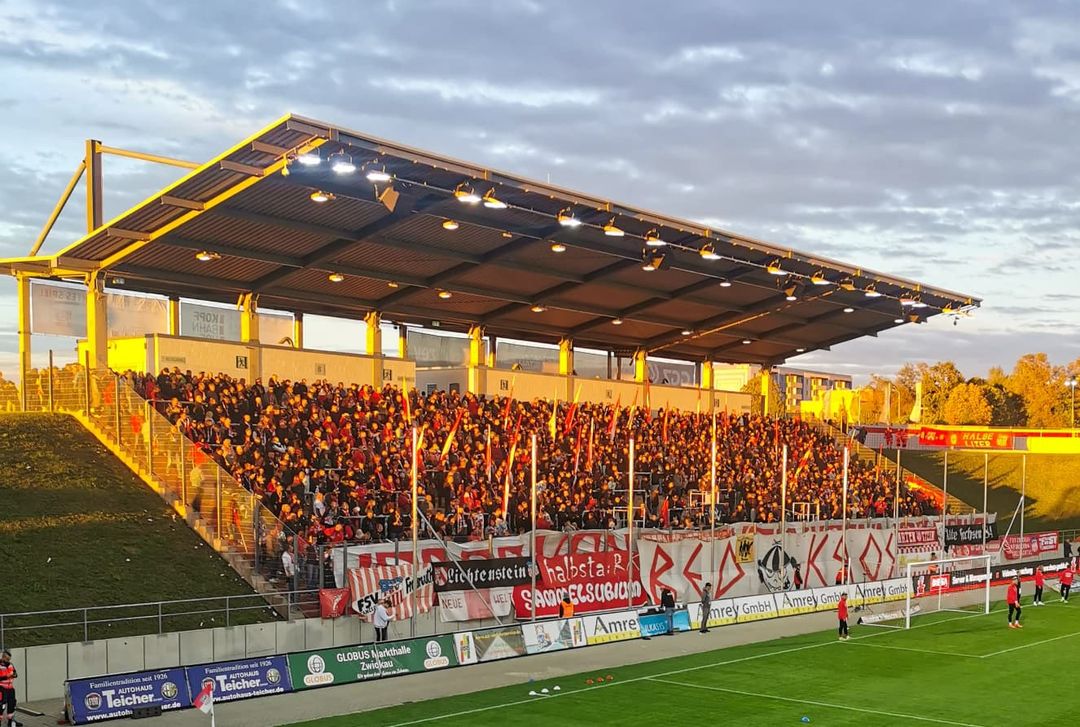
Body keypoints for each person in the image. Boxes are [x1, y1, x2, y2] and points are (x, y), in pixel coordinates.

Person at [0, 650, 17, 727]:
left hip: (10, 688)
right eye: (7, 659)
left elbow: (15, 674)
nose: (8, 661)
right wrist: (7, 676)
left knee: (12, 704)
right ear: (3, 657)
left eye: (9, 659)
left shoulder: (10, 664)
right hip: (2, 688)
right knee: (1, 705)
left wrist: (13, 675)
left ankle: (11, 722)